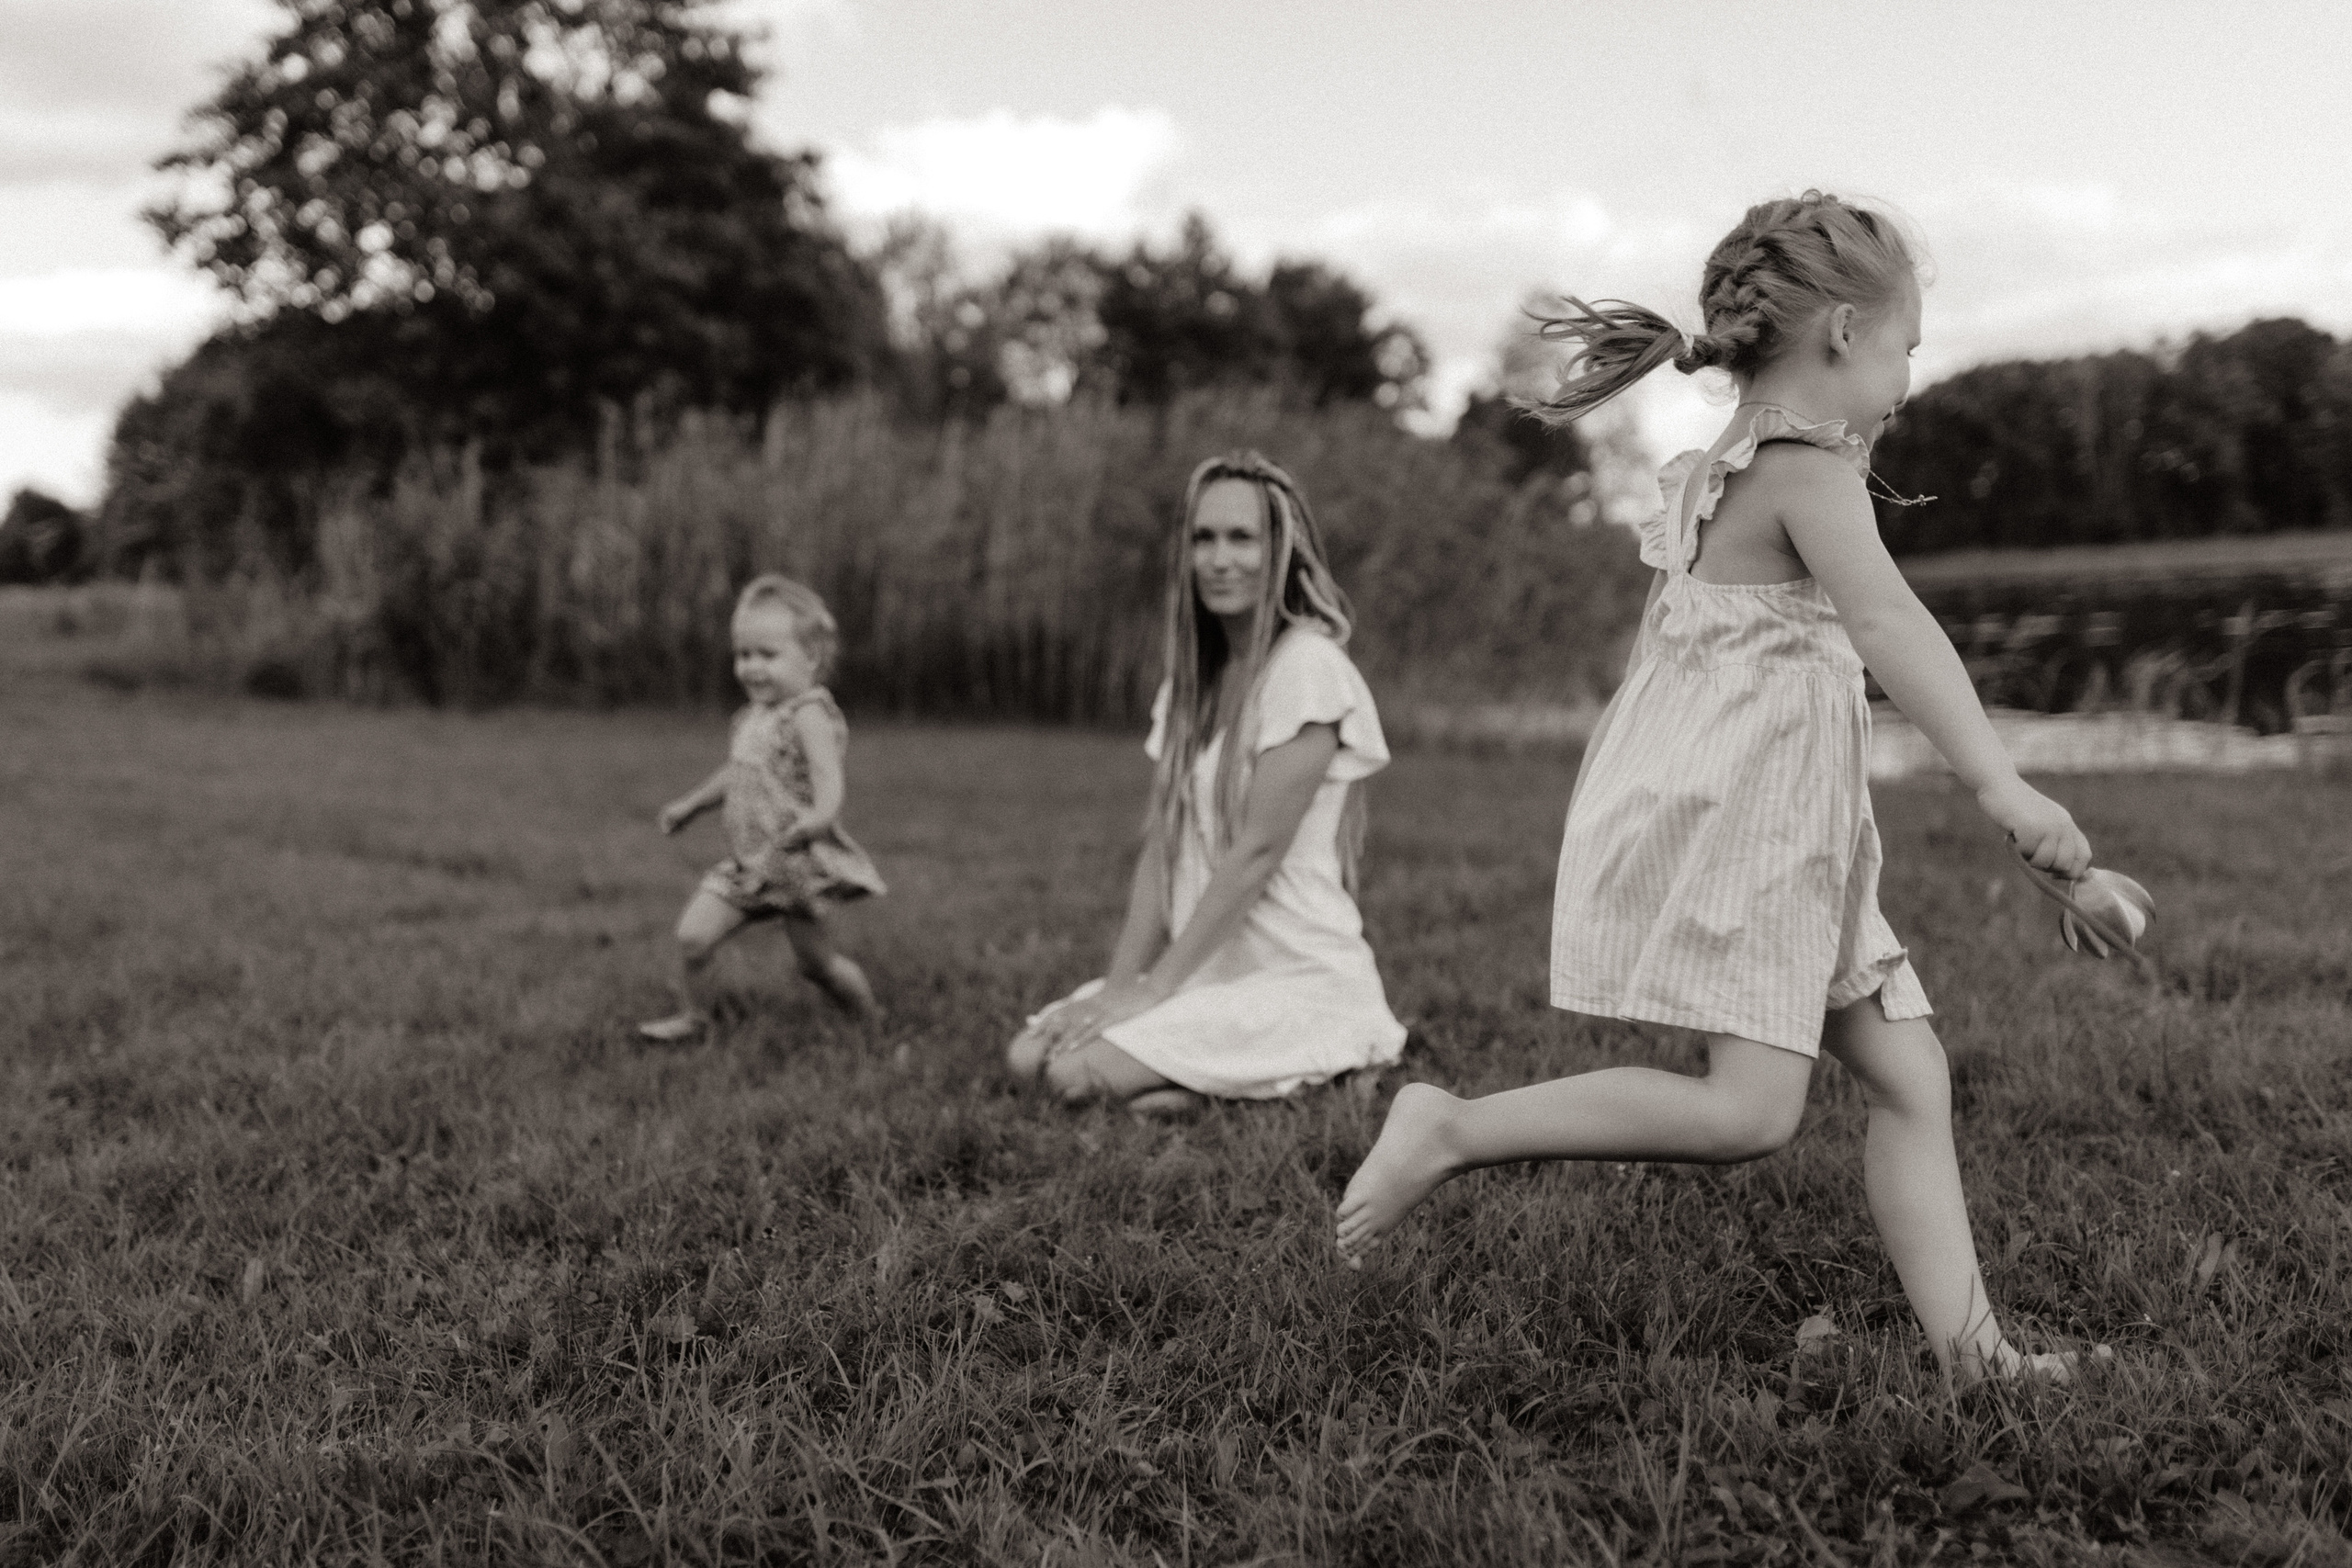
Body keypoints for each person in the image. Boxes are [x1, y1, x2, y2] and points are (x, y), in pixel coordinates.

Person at [1336, 192, 2106, 1382]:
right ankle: (1450, 1125)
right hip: (1760, 842)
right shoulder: (1805, 470)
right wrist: (2003, 783)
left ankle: (1977, 1353)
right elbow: (1889, 621)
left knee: (1911, 1074)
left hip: (1787, 833)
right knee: (1748, 1112)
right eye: (1907, 343)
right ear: (1844, 331)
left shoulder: (1717, 469)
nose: (1911, 372)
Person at [1007, 452, 1408, 1115]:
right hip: (1211, 968)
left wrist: (1155, 988)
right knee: (1029, 1055)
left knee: (1072, 1075)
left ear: (1280, 549)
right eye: (1204, 538)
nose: (1221, 558)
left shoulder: (1308, 668)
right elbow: (1163, 848)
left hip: (1296, 976)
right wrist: (1117, 986)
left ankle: (1328, 1062)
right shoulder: (1193, 684)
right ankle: (1213, 1087)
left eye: (1242, 537)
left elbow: (1254, 856)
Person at [639, 574, 884, 1043]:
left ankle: (871, 1023)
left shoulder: (808, 712)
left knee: (818, 966)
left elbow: (828, 775)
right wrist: (691, 805)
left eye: (767, 656)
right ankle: (696, 1018)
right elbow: (738, 773)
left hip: (794, 864)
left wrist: (821, 817)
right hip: (748, 863)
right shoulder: (753, 716)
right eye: (744, 655)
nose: (751, 668)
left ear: (810, 658)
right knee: (693, 938)